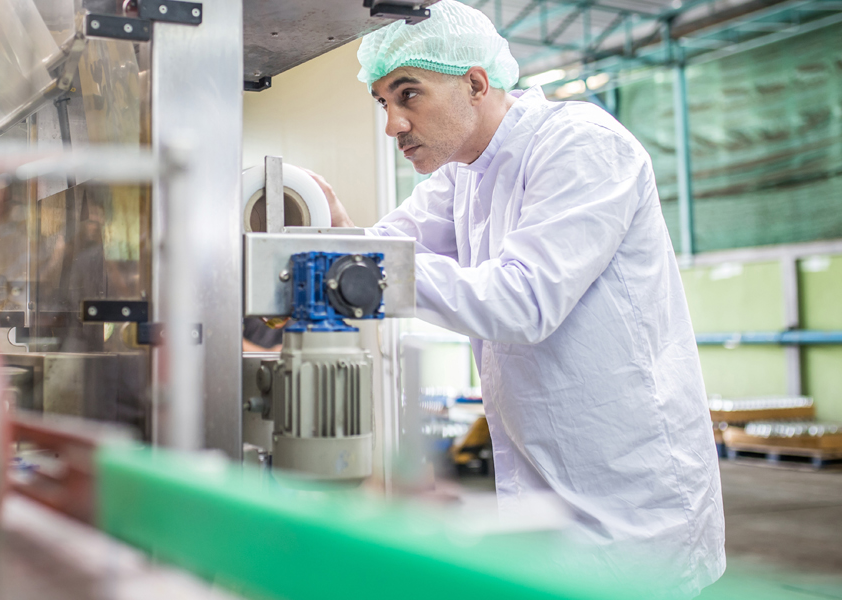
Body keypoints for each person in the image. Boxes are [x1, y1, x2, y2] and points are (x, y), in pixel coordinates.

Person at [310, 1, 725, 596]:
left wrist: (354, 264)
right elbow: (383, 250)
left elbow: (523, 301)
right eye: (382, 103)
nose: (392, 124)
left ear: (475, 83)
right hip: (541, 491)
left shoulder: (581, 144)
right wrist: (324, 240)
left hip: (629, 497)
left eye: (408, 95)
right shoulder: (464, 175)